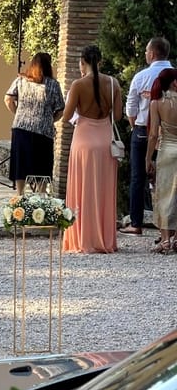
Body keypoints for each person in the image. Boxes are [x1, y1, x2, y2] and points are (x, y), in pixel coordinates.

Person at [62, 45, 123, 254]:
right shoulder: (113, 83)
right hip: (105, 140)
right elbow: (117, 116)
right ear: (101, 61)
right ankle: (104, 238)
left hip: (84, 141)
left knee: (83, 188)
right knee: (103, 189)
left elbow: (67, 115)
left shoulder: (78, 85)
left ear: (82, 62)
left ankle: (82, 238)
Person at [122, 36, 173, 235]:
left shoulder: (141, 76)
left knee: (137, 177)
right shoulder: (174, 76)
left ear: (152, 53)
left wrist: (137, 127)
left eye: (145, 51)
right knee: (168, 179)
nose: (145, 54)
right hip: (170, 133)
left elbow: (131, 108)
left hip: (143, 130)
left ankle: (136, 223)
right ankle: (168, 225)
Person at [4, 51, 65, 194]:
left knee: (20, 164)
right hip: (43, 132)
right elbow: (60, 109)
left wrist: (17, 113)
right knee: (42, 167)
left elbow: (8, 99)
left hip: (21, 128)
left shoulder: (20, 80)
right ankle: (40, 197)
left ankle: (20, 195)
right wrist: (50, 119)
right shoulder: (53, 84)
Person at [145, 67, 177, 253]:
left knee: (164, 195)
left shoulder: (156, 104)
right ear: (174, 82)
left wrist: (148, 158)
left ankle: (165, 241)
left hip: (166, 151)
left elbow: (152, 135)